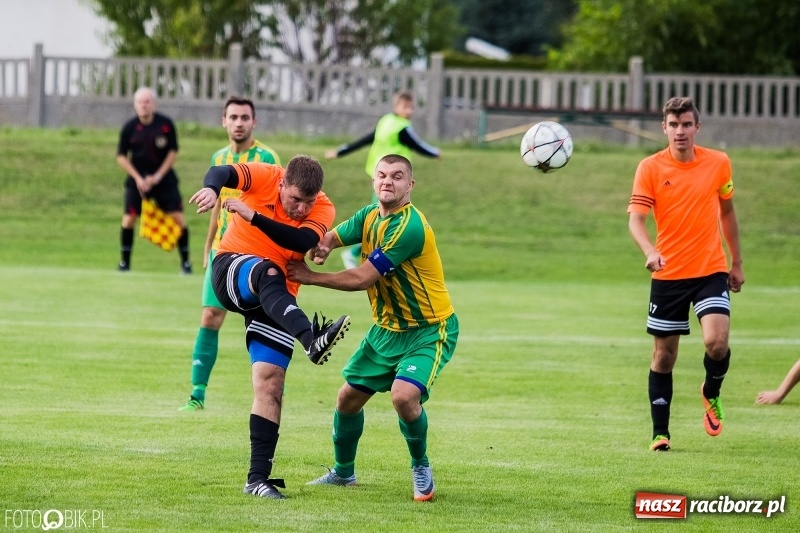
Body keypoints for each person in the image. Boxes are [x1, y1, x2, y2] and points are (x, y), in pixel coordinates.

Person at [286, 154, 459, 502]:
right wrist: (323, 245)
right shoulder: (369, 216)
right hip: (386, 330)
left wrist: (310, 276)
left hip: (428, 330)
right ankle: (343, 473)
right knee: (347, 399)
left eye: (397, 177)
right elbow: (336, 236)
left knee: (403, 396)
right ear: (373, 180)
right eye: (382, 175)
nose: (387, 181)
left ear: (410, 186)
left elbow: (363, 278)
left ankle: (420, 466)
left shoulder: (409, 226)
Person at [189, 155, 351, 499]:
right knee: (268, 271)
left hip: (278, 301)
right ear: (282, 184)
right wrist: (210, 188)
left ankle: (257, 478)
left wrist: (254, 216)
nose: (301, 208)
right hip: (233, 270)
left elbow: (300, 242)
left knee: (270, 383)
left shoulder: (323, 207)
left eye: (309, 201)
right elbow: (220, 171)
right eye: (295, 200)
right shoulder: (266, 175)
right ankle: (311, 338)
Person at [627, 96, 745, 452]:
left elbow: (727, 213)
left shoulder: (719, 163)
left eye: (686, 124)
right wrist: (650, 251)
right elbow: (636, 219)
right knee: (664, 356)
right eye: (673, 125)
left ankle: (711, 391)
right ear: (664, 128)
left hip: (710, 268)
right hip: (669, 274)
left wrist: (736, 262)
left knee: (716, 342)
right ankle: (660, 433)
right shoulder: (650, 167)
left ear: (698, 127)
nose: (680, 131)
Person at [179, 96, 281, 412]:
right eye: (233, 117)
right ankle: (197, 394)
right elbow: (216, 209)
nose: (239, 123)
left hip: (254, 254)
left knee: (264, 321)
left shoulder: (267, 157)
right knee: (210, 316)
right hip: (221, 251)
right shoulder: (219, 157)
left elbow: (277, 208)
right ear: (223, 121)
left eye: (244, 117)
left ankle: (269, 393)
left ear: (254, 122)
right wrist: (208, 244)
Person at [324, 90, 441, 269]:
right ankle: (354, 253)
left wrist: (340, 151)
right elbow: (416, 144)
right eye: (405, 107)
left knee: (381, 218)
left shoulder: (385, 121)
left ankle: (361, 254)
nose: (409, 111)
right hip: (392, 180)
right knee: (381, 218)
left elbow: (365, 140)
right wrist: (434, 153)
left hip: (378, 177)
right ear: (396, 107)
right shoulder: (401, 127)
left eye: (411, 108)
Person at [116, 86, 191, 273]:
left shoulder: (165, 124)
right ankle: (125, 263)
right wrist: (138, 178)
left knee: (178, 218)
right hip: (138, 182)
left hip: (164, 181)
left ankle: (186, 263)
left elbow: (173, 151)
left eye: (147, 101)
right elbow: (121, 156)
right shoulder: (129, 128)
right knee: (128, 219)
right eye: (140, 102)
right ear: (135, 105)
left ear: (154, 104)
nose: (144, 105)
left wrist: (157, 176)